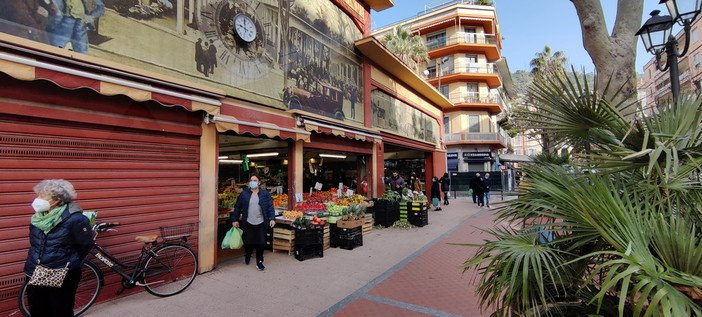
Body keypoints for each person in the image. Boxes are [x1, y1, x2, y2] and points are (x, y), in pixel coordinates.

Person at [24, 179, 94, 317]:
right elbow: (35, 242)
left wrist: (67, 259)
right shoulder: (38, 218)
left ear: (56, 200)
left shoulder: (76, 219)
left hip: (62, 270)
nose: (37, 199)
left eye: (42, 196)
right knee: (37, 309)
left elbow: (85, 245)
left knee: (60, 310)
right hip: (38, 268)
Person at [230, 175, 276, 271]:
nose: (253, 182)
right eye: (251, 180)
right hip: (248, 222)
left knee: (261, 242)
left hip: (261, 222)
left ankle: (259, 261)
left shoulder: (265, 194)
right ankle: (248, 254)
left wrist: (272, 218)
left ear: (259, 182)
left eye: (255, 180)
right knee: (248, 242)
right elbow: (237, 207)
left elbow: (270, 207)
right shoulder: (244, 194)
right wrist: (234, 219)